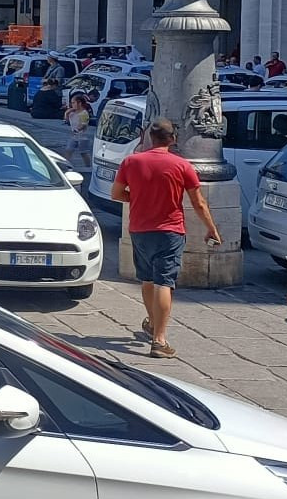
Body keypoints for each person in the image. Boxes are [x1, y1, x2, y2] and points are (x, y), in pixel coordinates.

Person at [109, 118, 224, 359]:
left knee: (148, 280)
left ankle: (152, 322)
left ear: (151, 138)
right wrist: (211, 228)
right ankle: (159, 340)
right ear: (173, 139)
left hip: (139, 229)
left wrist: (138, 198)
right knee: (164, 283)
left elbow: (117, 194)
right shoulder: (182, 165)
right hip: (170, 231)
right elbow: (198, 202)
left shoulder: (131, 161)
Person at [63, 92, 94, 171]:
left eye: (74, 102)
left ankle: (88, 167)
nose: (72, 104)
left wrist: (77, 129)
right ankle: (65, 165)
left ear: (79, 103)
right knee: (68, 150)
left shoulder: (84, 113)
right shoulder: (73, 112)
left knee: (83, 152)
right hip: (74, 135)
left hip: (82, 136)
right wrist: (67, 112)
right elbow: (66, 119)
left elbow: (83, 125)